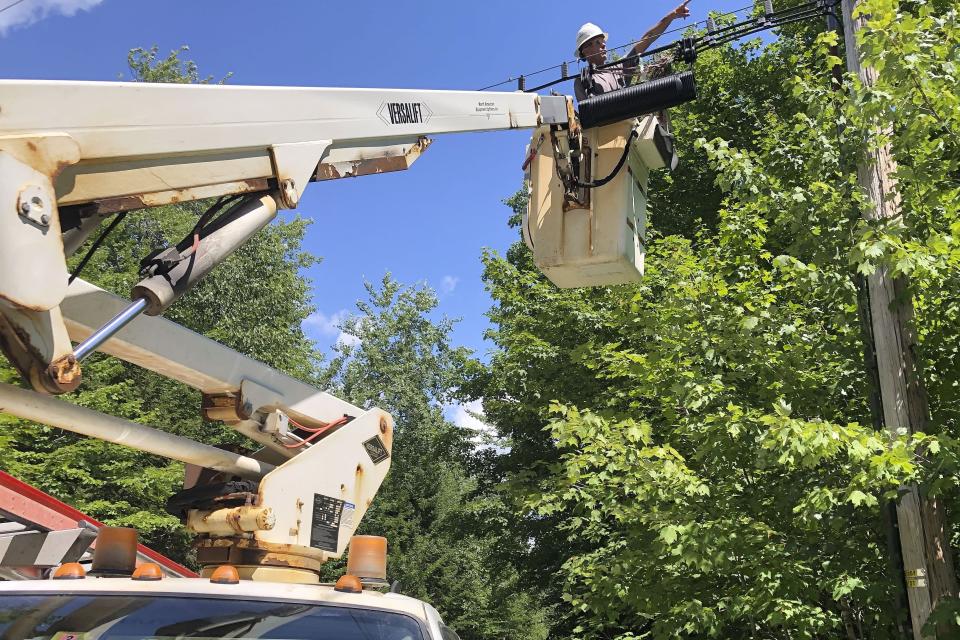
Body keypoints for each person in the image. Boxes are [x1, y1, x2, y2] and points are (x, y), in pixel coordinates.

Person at [573, 0, 692, 102]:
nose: (604, 45)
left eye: (603, 42)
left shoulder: (619, 68)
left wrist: (672, 16)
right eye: (598, 42)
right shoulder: (581, 82)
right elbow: (588, 116)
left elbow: (647, 38)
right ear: (585, 50)